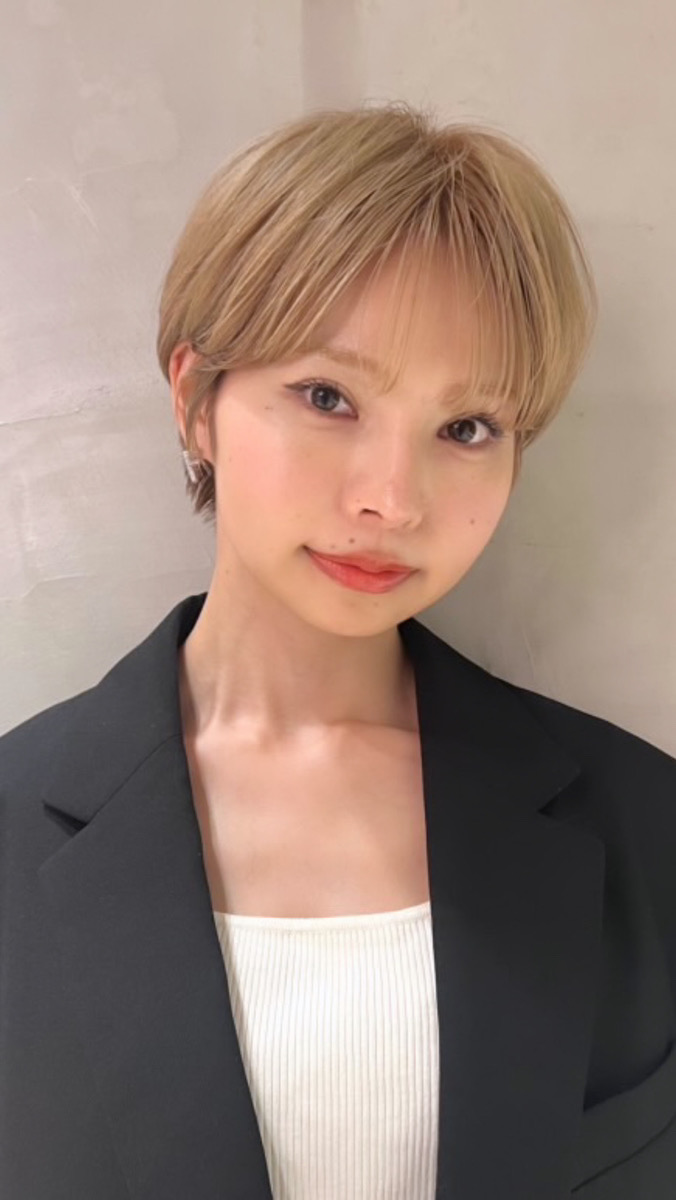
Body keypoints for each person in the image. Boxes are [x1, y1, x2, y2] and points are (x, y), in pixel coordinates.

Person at [1, 101, 675, 1200]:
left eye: (467, 428)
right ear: (196, 401)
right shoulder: (13, 830)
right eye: (327, 397)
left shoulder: (644, 825)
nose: (391, 500)